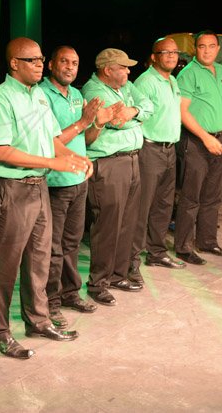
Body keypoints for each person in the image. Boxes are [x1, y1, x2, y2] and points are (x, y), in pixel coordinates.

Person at [0, 37, 90, 360]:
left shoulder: (39, 97)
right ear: (13, 63)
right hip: (12, 188)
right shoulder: (0, 99)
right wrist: (53, 163)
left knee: (40, 259)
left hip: (39, 186)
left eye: (41, 59)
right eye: (32, 60)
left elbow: (52, 140)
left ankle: (38, 320)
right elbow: (1, 151)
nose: (40, 65)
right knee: (7, 264)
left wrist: (74, 158)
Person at [38, 45, 114, 328]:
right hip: (56, 181)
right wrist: (83, 122)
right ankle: (50, 302)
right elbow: (53, 140)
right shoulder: (43, 95)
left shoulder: (78, 94)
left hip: (79, 178)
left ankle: (70, 293)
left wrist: (98, 123)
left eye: (75, 63)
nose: (70, 67)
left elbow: (88, 138)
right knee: (53, 247)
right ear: (51, 65)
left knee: (71, 243)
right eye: (64, 62)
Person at [81, 48, 154, 306]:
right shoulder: (94, 91)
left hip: (132, 159)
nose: (128, 71)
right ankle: (98, 282)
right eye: (123, 67)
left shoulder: (126, 87)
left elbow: (148, 106)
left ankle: (118, 275)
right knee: (108, 225)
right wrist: (131, 118)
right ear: (108, 70)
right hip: (110, 164)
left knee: (127, 222)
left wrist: (132, 112)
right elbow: (113, 121)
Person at [174, 31, 222, 265]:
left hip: (218, 139)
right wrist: (205, 138)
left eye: (211, 46)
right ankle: (183, 248)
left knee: (212, 196)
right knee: (191, 196)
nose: (206, 50)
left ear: (218, 48)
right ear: (195, 48)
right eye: (201, 46)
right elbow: (183, 112)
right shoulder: (188, 74)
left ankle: (207, 241)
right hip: (196, 141)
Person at [129, 37, 186, 275]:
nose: (172, 56)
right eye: (166, 52)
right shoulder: (146, 82)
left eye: (175, 52)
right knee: (142, 207)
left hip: (169, 149)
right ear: (154, 56)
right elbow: (137, 116)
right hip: (150, 149)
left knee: (163, 205)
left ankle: (156, 253)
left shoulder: (172, 80)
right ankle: (130, 262)